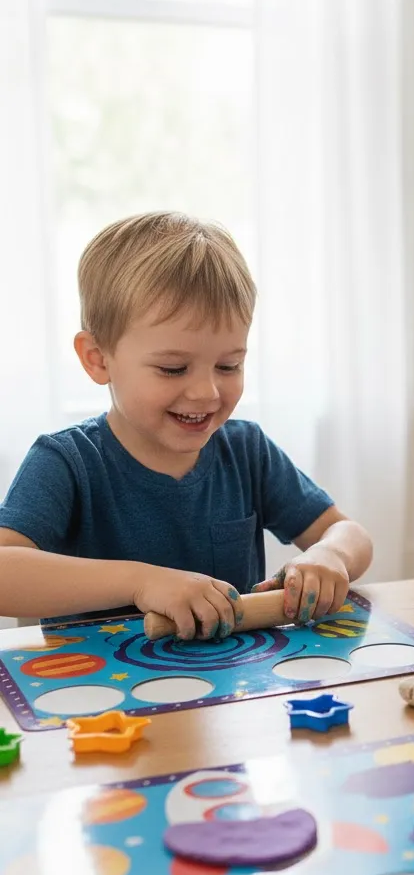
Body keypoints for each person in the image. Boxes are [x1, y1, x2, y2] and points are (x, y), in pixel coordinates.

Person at [0, 211, 372, 638]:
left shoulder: (246, 450)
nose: (207, 393)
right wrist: (142, 583)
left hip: (233, 691)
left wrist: (330, 556)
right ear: (98, 358)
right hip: (101, 699)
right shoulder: (67, 462)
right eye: (174, 368)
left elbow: (350, 533)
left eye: (228, 364)